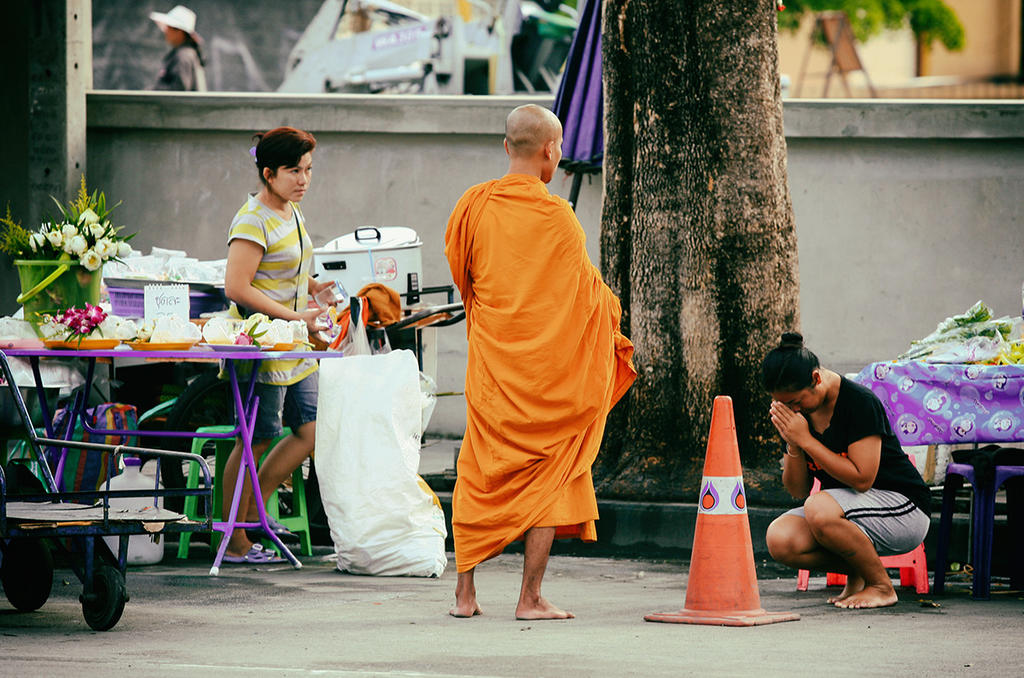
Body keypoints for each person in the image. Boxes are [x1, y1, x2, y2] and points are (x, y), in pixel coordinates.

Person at [444, 104, 636, 619]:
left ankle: (465, 595)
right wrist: (611, 320)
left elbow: (465, 280)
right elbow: (588, 299)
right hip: (549, 377)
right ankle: (529, 598)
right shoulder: (559, 218)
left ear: (507, 147)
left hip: (493, 370)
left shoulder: (474, 206)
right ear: (550, 151)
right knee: (552, 473)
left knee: (479, 469)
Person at [220, 126, 334, 563]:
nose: (303, 179)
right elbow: (237, 286)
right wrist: (291, 316)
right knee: (255, 441)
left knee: (310, 430)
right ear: (268, 173)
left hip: (294, 342)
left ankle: (252, 515)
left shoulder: (292, 212)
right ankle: (234, 541)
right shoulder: (252, 219)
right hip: (263, 345)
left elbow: (294, 269)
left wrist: (320, 292)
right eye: (293, 171)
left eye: (308, 170)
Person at [762, 332, 931, 609]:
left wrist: (806, 440)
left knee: (818, 506)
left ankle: (881, 586)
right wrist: (794, 444)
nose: (792, 409)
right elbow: (798, 489)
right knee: (780, 538)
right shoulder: (796, 414)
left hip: (904, 510)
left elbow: (863, 479)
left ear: (816, 378)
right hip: (847, 512)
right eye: (784, 403)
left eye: (796, 401)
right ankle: (858, 572)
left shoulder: (859, 403)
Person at [150, 5, 208, 91]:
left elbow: (178, 90)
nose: (166, 31)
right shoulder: (185, 53)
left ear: (179, 31)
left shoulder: (184, 56)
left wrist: (153, 91)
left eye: (169, 28)